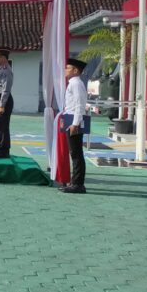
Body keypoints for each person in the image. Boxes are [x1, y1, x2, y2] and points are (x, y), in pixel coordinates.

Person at [62, 57, 89, 194]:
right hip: (70, 119)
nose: (65, 70)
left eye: (68, 68)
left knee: (76, 153)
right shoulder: (73, 83)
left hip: (74, 121)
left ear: (76, 70)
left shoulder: (76, 83)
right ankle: (75, 182)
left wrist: (75, 123)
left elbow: (79, 105)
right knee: (74, 153)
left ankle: (78, 184)